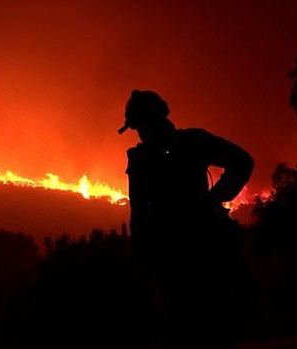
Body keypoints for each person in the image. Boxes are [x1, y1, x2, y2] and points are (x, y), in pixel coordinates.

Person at [119, 89, 253, 349]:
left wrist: (214, 199)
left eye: (139, 127)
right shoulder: (178, 146)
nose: (141, 134)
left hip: (192, 253)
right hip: (184, 253)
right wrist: (215, 200)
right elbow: (139, 214)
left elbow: (139, 216)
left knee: (195, 326)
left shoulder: (179, 147)